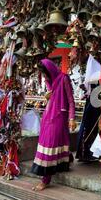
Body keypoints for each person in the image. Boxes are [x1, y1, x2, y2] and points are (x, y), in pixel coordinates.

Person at [30, 59, 77, 191]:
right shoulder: (48, 80)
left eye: (45, 73)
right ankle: (64, 162)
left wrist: (72, 118)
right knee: (53, 143)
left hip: (59, 118)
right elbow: (53, 96)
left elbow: (71, 101)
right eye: (43, 74)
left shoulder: (64, 79)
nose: (44, 76)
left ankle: (45, 180)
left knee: (50, 146)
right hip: (47, 117)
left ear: (50, 70)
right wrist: (47, 96)